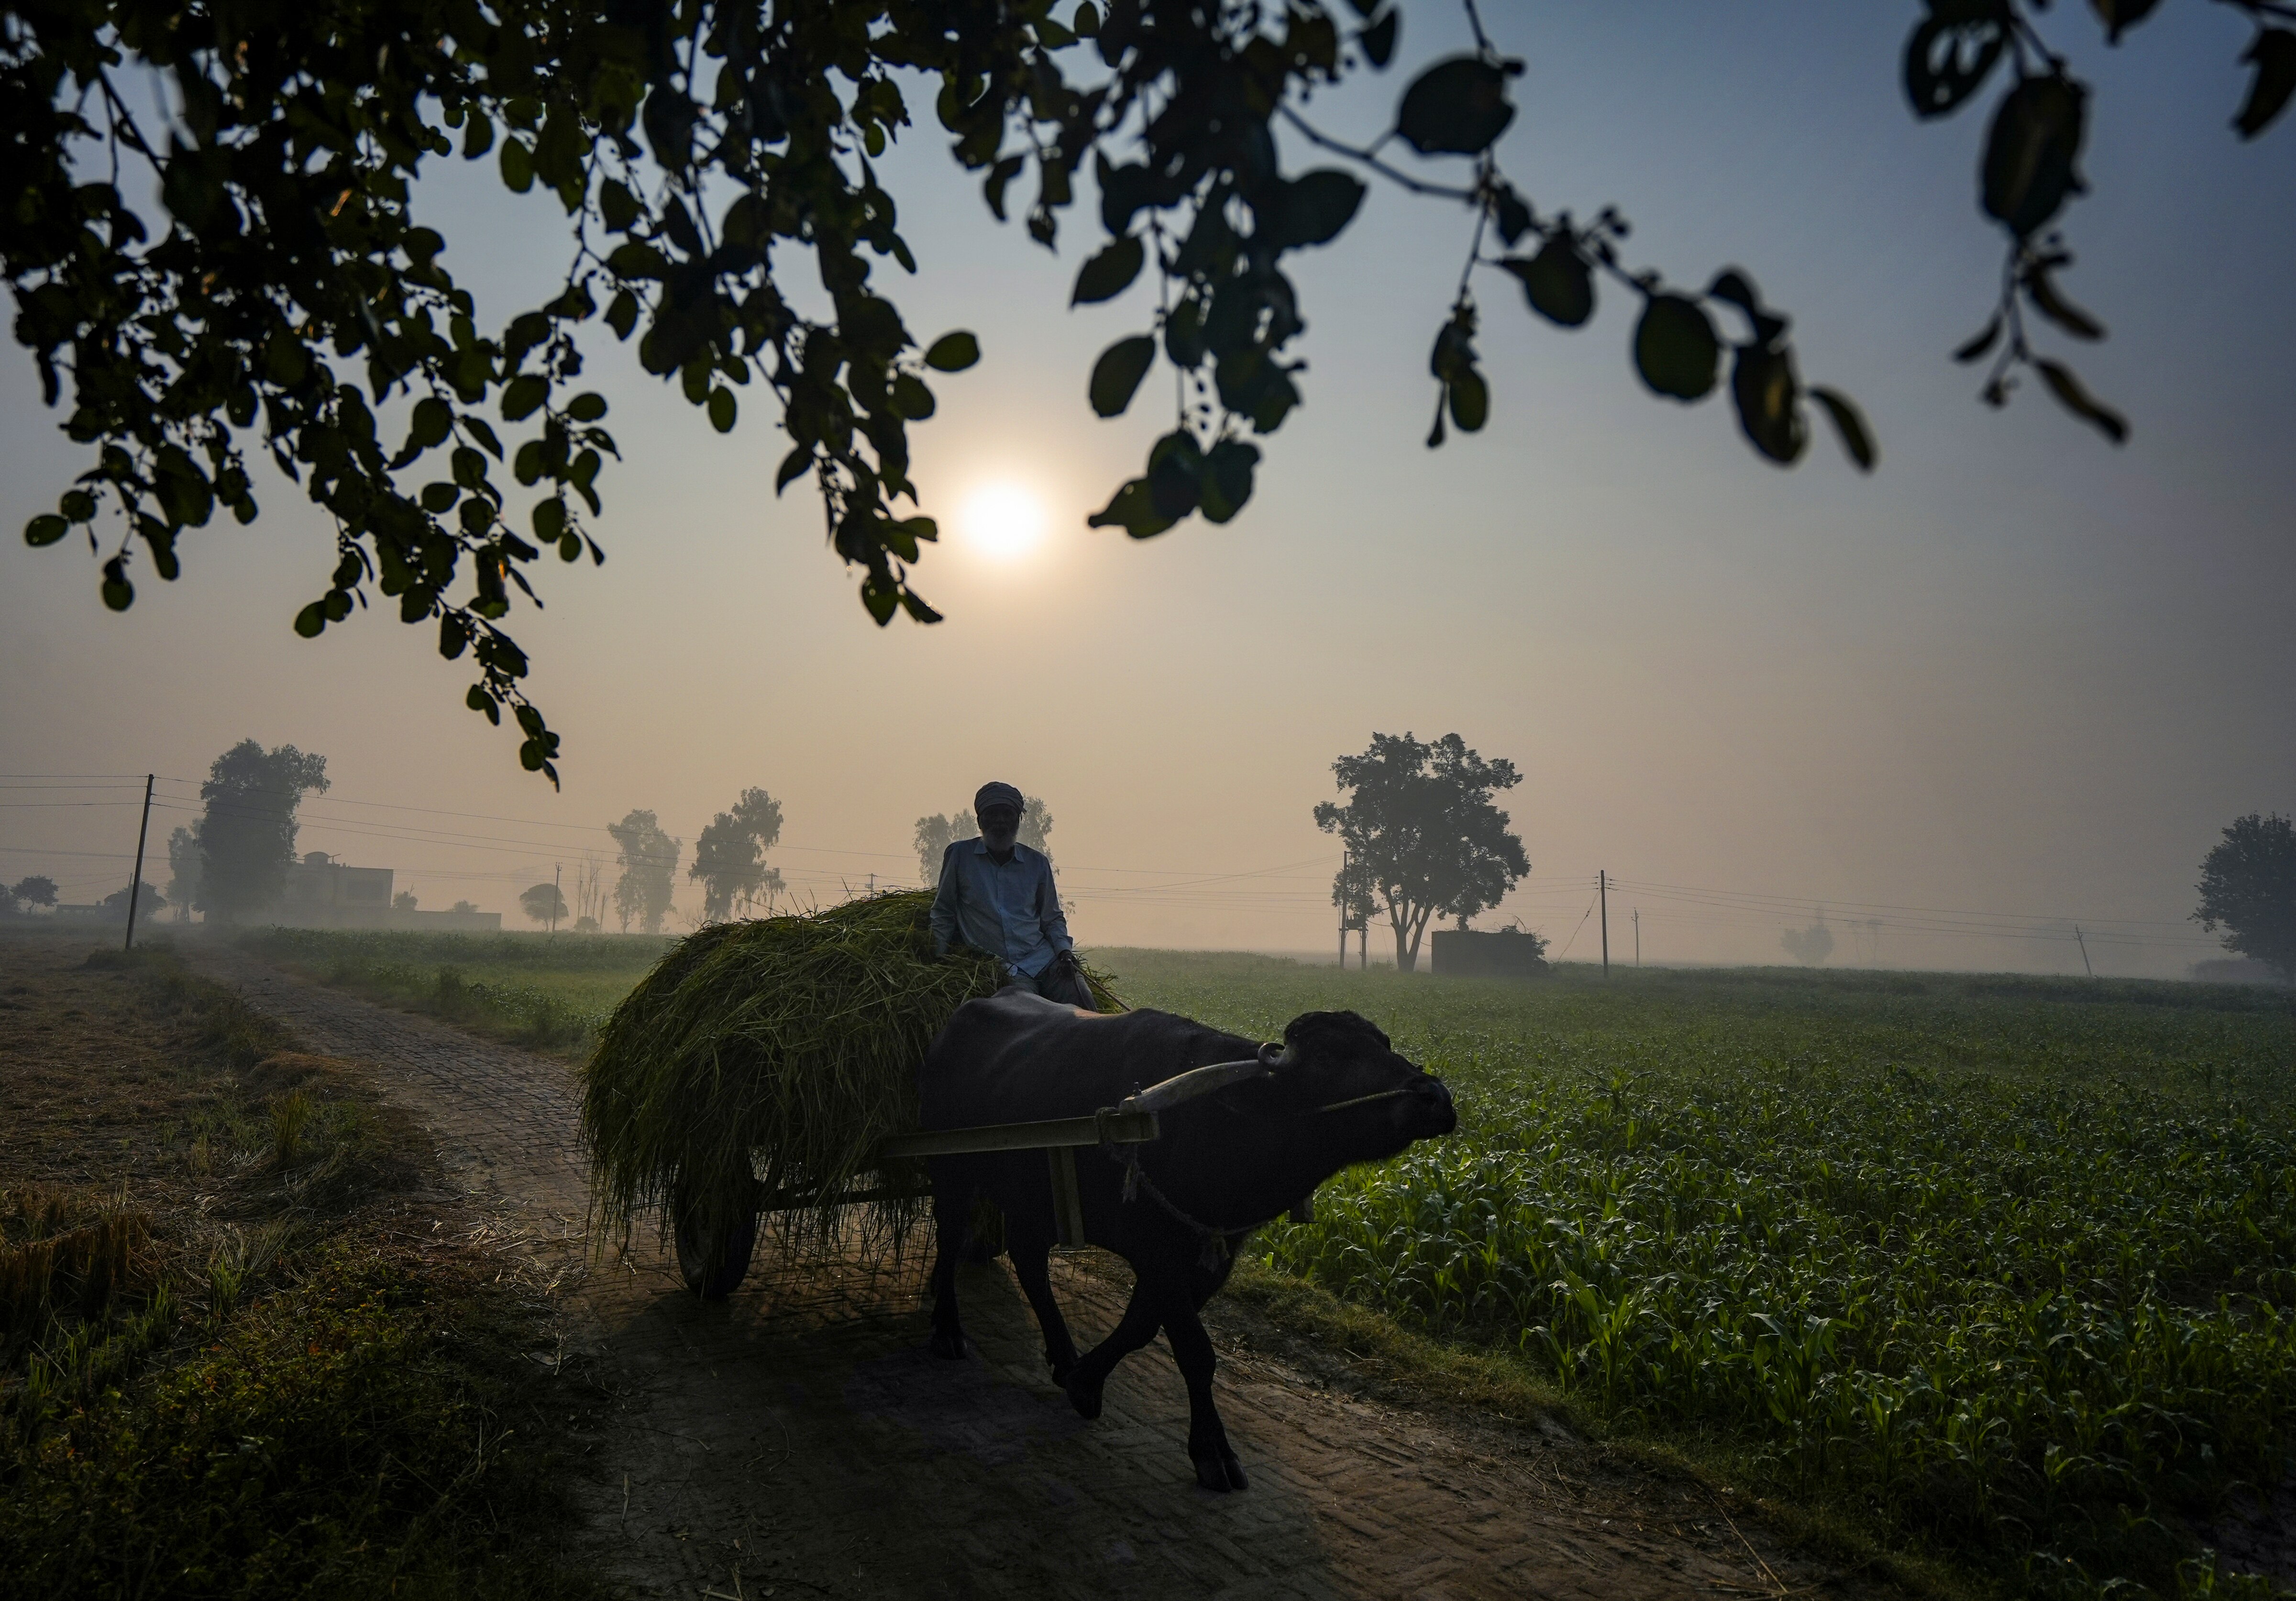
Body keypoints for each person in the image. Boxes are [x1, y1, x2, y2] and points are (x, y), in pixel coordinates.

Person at [929, 781, 1095, 1007]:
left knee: (1083, 1001)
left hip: (1045, 960)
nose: (1000, 822)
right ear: (980, 821)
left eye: (1007, 814)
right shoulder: (960, 856)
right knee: (1031, 1014)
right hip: (1003, 967)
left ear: (1018, 821)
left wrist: (1064, 952)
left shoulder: (1037, 864)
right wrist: (936, 958)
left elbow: (1052, 917)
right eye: (992, 814)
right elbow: (944, 911)